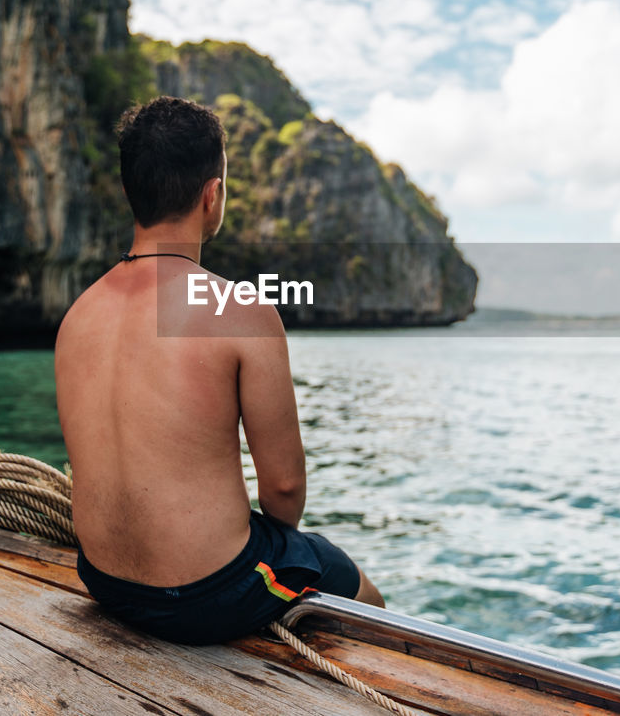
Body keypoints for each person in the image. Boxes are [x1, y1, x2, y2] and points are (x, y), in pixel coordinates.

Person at [55, 96, 385, 646]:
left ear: (130, 191)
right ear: (212, 196)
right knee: (364, 596)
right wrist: (270, 553)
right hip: (207, 595)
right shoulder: (239, 310)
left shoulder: (77, 316)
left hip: (105, 582)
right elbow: (283, 486)